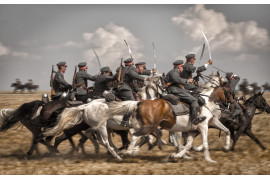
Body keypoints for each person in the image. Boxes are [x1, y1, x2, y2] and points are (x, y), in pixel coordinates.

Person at [164, 60, 206, 125]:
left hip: (176, 89)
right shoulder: (174, 71)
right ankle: (194, 119)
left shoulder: (175, 71)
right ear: (179, 67)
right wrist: (187, 81)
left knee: (191, 92)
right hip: (174, 89)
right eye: (182, 67)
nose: (183, 68)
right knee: (194, 100)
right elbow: (176, 79)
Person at [118, 58, 145, 127]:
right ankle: (125, 121)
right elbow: (134, 75)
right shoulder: (131, 69)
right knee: (132, 103)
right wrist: (144, 78)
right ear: (132, 63)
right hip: (125, 88)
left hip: (124, 87)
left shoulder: (125, 69)